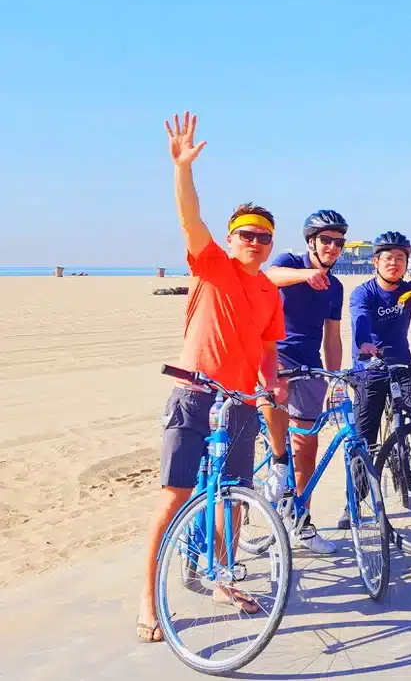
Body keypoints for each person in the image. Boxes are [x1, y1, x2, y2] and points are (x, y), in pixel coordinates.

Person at [138, 112, 287, 642]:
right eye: (246, 234)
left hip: (242, 402)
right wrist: (182, 169)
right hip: (194, 395)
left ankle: (223, 578)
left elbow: (269, 349)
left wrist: (273, 383)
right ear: (230, 239)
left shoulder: (270, 292)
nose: (254, 242)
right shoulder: (213, 265)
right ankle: (148, 600)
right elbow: (189, 217)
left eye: (263, 237)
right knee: (176, 495)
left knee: (234, 495)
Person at [260, 210, 366, 554]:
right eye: (326, 240)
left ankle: (301, 522)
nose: (333, 247)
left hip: (310, 364)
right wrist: (308, 274)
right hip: (274, 356)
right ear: (311, 242)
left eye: (338, 242)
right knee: (273, 411)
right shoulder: (290, 262)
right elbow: (269, 276)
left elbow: (332, 336)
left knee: (307, 448)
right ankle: (275, 462)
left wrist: (334, 377)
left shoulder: (335, 286)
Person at [342, 231, 411, 526]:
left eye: (400, 258)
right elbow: (360, 317)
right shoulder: (363, 292)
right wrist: (363, 342)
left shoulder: (407, 291)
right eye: (388, 258)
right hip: (370, 370)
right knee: (364, 439)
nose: (394, 263)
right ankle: (356, 500)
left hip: (403, 365)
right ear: (376, 262)